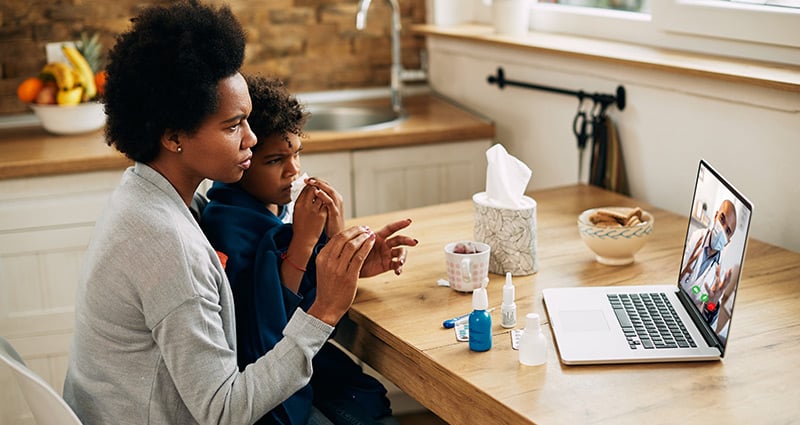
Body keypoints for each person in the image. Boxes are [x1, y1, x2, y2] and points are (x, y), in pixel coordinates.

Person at [62, 2, 392, 424]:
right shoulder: (169, 245)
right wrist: (324, 309)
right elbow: (225, 411)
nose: (252, 139)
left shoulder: (149, 196)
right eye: (233, 125)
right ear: (174, 135)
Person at [200, 74, 416, 425]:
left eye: (297, 154)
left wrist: (350, 256)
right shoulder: (229, 226)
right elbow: (270, 329)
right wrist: (302, 242)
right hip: (263, 391)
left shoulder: (275, 208)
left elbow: (307, 292)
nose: (293, 170)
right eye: (274, 161)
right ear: (242, 158)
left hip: (306, 364)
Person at [679, 198, 737, 325]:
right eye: (722, 219)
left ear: (728, 241)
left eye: (727, 231)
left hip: (689, 321)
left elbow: (708, 321)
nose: (722, 230)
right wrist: (682, 273)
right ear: (715, 215)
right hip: (675, 301)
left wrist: (712, 305)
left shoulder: (720, 275)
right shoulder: (696, 237)